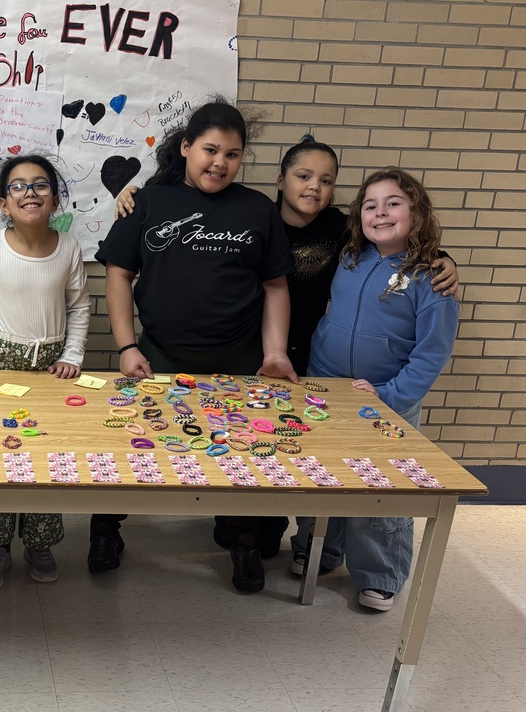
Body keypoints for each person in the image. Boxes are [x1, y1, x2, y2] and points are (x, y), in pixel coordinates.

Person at [114, 136, 460, 557]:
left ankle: (327, 551)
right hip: (271, 356)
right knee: (273, 451)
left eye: (327, 180)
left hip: (311, 361)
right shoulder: (255, 216)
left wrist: (441, 257)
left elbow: (395, 244)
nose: (314, 186)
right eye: (303, 176)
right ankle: (268, 532)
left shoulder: (342, 232)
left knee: (332, 462)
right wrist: (134, 193)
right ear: (280, 181)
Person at [94, 97, 297, 593]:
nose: (220, 162)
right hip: (161, 355)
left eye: (232, 154)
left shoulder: (257, 209)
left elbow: (275, 286)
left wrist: (274, 354)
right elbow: (119, 275)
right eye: (210, 149)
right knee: (135, 448)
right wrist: (126, 347)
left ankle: (242, 538)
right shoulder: (147, 202)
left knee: (244, 455)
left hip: (240, 359)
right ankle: (106, 528)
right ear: (185, 147)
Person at [291, 167, 459, 612]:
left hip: (388, 401)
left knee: (380, 487)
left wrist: (390, 397)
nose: (380, 212)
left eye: (393, 203)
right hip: (326, 390)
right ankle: (320, 548)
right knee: (321, 474)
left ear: (416, 212)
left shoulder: (433, 279)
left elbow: (431, 355)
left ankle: (380, 571)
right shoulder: (349, 258)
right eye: (370, 205)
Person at [0, 154, 90, 591]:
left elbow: (79, 308)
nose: (30, 192)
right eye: (18, 186)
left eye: (41, 185)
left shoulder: (68, 247)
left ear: (56, 199)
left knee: (44, 456)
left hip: (51, 369)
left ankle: (39, 540)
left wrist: (72, 355)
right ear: (4, 203)